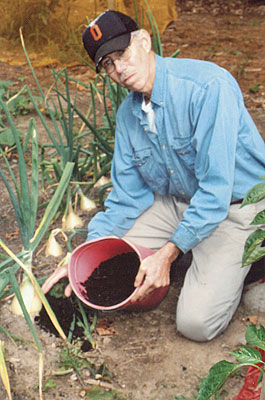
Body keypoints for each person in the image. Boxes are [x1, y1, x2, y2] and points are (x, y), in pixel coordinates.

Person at [42, 10, 265, 342]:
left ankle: (252, 267)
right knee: (112, 258)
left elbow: (216, 190)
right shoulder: (129, 115)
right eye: (108, 64)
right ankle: (184, 258)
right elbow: (126, 199)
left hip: (235, 208)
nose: (119, 69)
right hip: (176, 202)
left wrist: (169, 251)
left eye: (123, 53)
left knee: (196, 326)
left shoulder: (207, 87)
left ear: (144, 40)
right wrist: (83, 254)